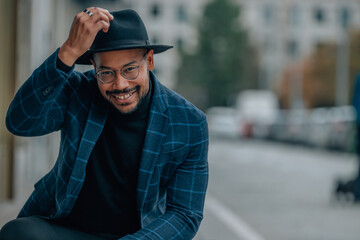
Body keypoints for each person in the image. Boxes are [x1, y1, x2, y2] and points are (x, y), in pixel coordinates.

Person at [0, 7, 209, 240]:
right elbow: (20, 122)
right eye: (106, 73)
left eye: (130, 70)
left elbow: (185, 214)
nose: (120, 85)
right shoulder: (79, 92)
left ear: (149, 60)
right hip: (66, 229)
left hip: (138, 236)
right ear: (94, 67)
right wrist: (67, 52)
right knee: (16, 232)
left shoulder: (189, 122)